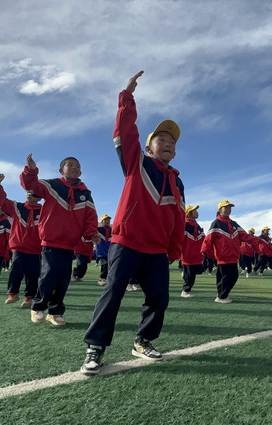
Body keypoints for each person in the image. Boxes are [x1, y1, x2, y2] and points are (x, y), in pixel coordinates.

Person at [81, 70, 183, 375]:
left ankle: (143, 340)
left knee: (159, 298)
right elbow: (125, 131)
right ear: (149, 146)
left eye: (171, 142)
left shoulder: (178, 182)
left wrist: (174, 250)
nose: (167, 144)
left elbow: (177, 218)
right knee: (113, 292)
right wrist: (127, 97)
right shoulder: (136, 163)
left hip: (156, 251)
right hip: (126, 242)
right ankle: (95, 347)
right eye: (161, 139)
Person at [22, 152, 101, 326]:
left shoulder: (85, 193)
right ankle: (38, 307)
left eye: (78, 166)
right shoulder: (52, 185)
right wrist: (31, 169)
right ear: (61, 170)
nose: (74, 168)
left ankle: (56, 311)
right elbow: (31, 185)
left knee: (63, 279)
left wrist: (91, 233)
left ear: (80, 173)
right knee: (49, 274)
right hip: (51, 240)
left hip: (70, 243)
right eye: (70, 165)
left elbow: (90, 216)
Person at [0, 173, 43, 307]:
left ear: (39, 197)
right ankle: (13, 294)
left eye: (32, 193)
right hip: (18, 248)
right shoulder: (17, 207)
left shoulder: (44, 211)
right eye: (28, 192)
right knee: (16, 271)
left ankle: (29, 297)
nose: (29, 195)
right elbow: (1, 201)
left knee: (33, 275)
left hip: (35, 249)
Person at [201, 200, 260, 303]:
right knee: (224, 278)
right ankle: (221, 296)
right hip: (223, 257)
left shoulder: (234, 224)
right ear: (220, 210)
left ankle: (224, 294)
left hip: (233, 256)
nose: (228, 210)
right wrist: (205, 250)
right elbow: (209, 239)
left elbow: (245, 236)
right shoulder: (216, 223)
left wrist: (259, 240)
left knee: (234, 276)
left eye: (229, 208)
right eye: (226, 207)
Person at [181, 205, 204, 297]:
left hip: (197, 255)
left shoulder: (197, 226)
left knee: (199, 270)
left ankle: (185, 273)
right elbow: (180, 239)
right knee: (190, 277)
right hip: (188, 255)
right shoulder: (185, 225)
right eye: (195, 211)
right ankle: (185, 291)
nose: (197, 212)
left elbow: (203, 238)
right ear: (189, 213)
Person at [95, 214, 113, 286]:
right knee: (104, 264)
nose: (107, 221)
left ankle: (110, 279)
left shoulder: (112, 230)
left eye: (108, 220)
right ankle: (102, 278)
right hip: (101, 251)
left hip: (110, 251)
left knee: (110, 265)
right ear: (102, 221)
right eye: (105, 220)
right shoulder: (98, 229)